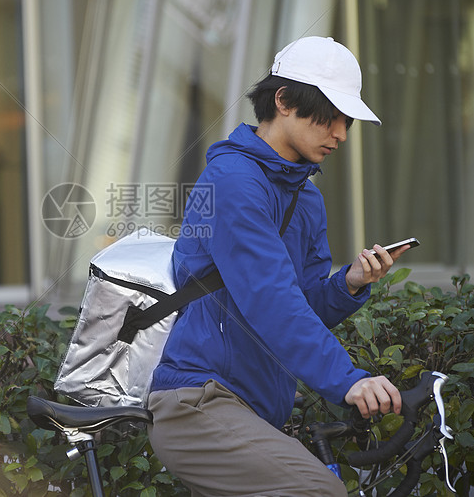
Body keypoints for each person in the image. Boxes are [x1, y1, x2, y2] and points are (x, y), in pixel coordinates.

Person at [147, 36, 413, 496]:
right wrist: (348, 380)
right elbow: (271, 301)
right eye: (330, 116)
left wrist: (348, 284)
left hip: (250, 411)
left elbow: (302, 306)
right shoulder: (233, 182)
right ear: (284, 100)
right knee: (321, 490)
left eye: (347, 121)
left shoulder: (305, 196)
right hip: (199, 403)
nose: (341, 134)